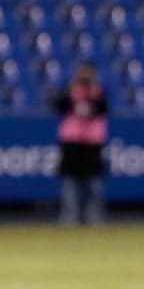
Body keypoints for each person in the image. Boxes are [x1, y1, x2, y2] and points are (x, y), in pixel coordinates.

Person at [53, 63, 108, 226]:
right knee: (70, 183)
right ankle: (69, 219)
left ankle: (95, 219)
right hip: (72, 141)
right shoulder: (70, 91)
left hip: (92, 142)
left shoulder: (99, 92)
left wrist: (90, 94)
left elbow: (102, 108)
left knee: (94, 184)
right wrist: (73, 90)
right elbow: (58, 104)